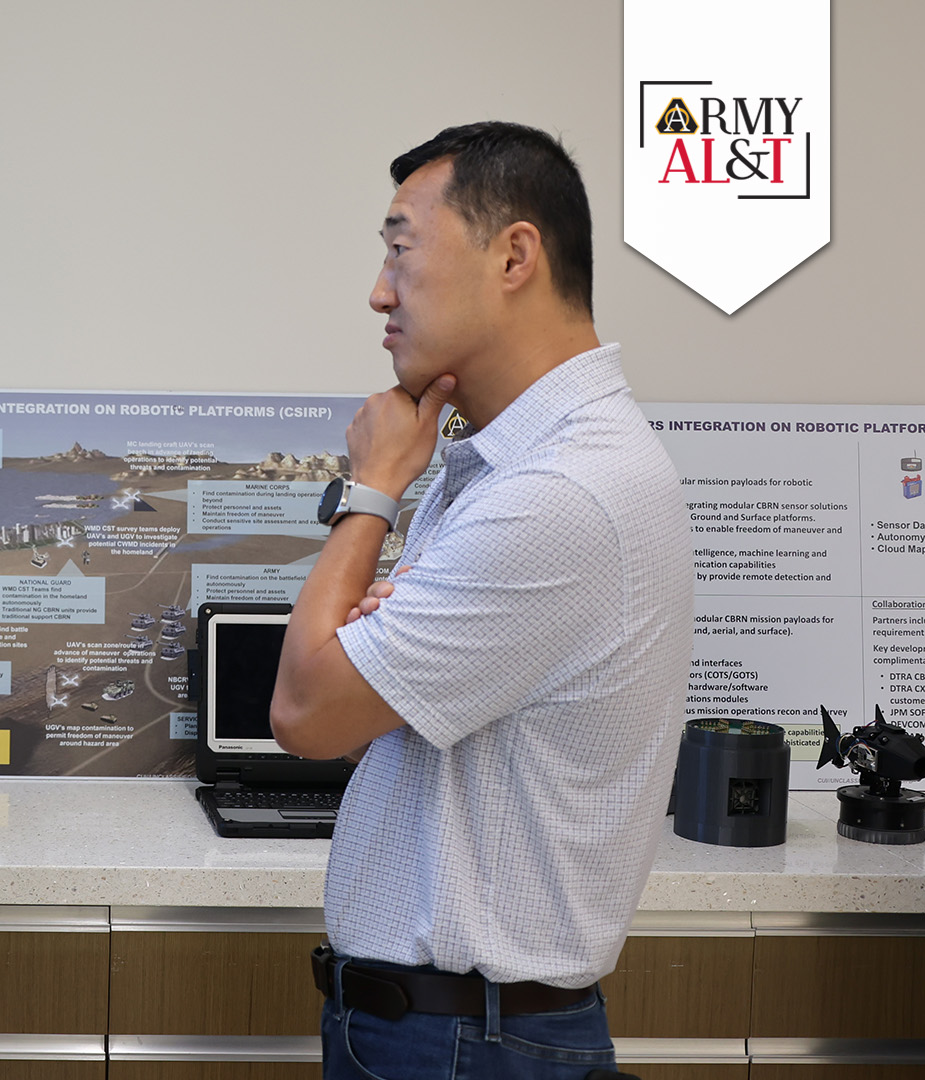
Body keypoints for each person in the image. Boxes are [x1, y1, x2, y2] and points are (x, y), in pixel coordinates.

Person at [268, 123, 694, 1079]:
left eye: (401, 251)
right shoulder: (520, 466)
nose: (380, 292)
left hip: (462, 1047)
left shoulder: (561, 494)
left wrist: (372, 490)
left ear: (514, 255)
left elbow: (307, 710)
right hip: (452, 1034)